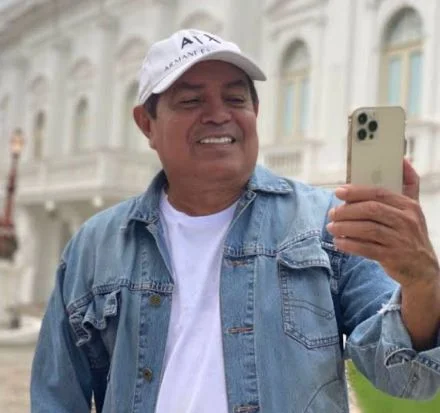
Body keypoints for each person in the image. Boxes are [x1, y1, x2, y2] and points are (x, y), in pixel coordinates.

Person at [31, 29, 440, 413]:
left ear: (255, 112)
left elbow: (408, 379)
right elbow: (56, 397)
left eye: (235, 98)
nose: (218, 114)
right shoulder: (95, 245)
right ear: (147, 124)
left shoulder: (329, 224)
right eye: (191, 101)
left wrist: (423, 282)